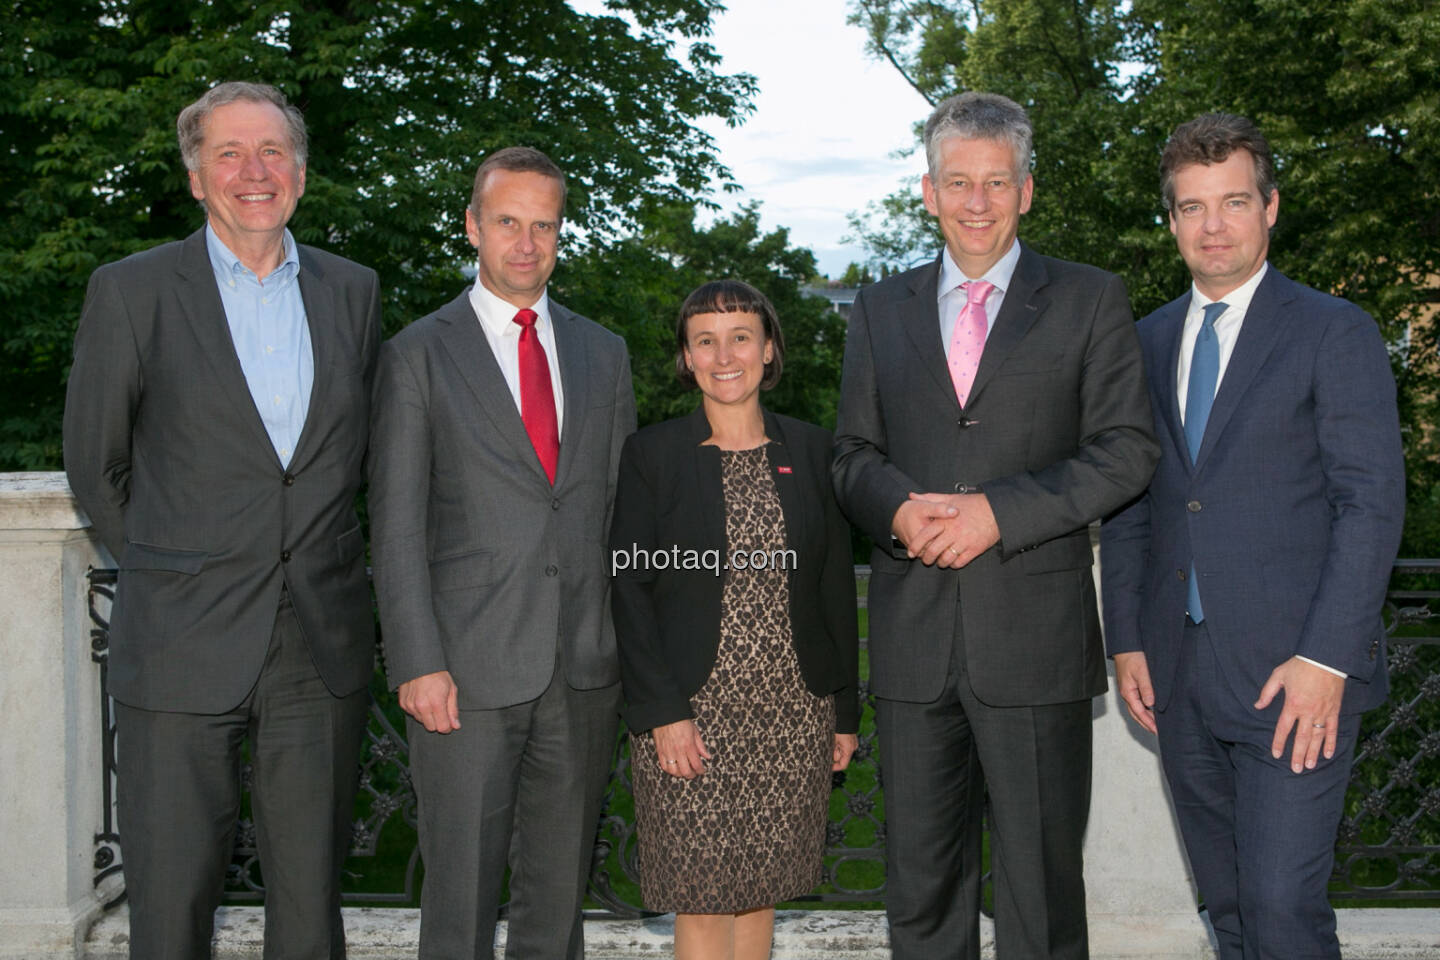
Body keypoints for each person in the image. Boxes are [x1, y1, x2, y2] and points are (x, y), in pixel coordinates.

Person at [831, 91, 1159, 959]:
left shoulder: (1090, 300)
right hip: (913, 642)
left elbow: (1127, 451)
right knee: (922, 885)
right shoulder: (879, 307)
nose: (978, 202)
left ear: (1028, 190)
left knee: (1042, 889)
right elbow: (851, 455)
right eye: (959, 182)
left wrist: (997, 514)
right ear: (929, 192)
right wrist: (899, 510)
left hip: (1035, 641)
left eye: (997, 183)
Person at [62, 81, 380, 959]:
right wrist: (173, 568)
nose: (254, 171)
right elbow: (97, 465)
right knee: (171, 901)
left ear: (302, 175)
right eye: (229, 153)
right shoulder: (131, 292)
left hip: (318, 643)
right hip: (178, 638)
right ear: (196, 177)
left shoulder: (353, 293)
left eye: (272, 151)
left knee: (310, 900)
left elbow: (354, 457)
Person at [1099, 113, 1405, 959]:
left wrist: (1327, 659)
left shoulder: (1332, 331)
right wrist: (1125, 638)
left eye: (1233, 202)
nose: (1213, 225)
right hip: (1178, 676)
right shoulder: (1146, 341)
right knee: (1229, 910)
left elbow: (1371, 504)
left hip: (1294, 678)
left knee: (1280, 911)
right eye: (1192, 207)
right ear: (1171, 222)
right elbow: (1133, 504)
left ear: (1270, 208)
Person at [367, 146, 636, 959]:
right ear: (474, 226)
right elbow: (396, 520)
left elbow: (619, 516)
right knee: (462, 899)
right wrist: (417, 660)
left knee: (558, 907)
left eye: (544, 225)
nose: (527, 242)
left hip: (583, 667)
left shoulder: (602, 352)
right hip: (465, 673)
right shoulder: (419, 351)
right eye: (508, 222)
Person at [609, 279, 859, 959]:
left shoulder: (814, 450)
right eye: (706, 341)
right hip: (690, 710)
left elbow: (835, 586)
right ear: (687, 358)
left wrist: (844, 713)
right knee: (701, 891)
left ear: (768, 348)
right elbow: (628, 588)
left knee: (760, 891)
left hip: (790, 711)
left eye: (741, 336)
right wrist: (662, 711)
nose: (725, 355)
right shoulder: (653, 455)